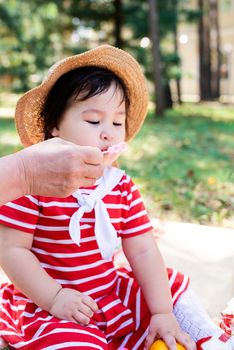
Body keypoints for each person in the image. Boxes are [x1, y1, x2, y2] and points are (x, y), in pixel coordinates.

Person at [0, 45, 232, 350]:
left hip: (109, 295)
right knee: (68, 341)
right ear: (55, 127)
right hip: (52, 304)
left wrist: (161, 311)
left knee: (170, 287)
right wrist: (54, 297)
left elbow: (144, 251)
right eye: (94, 122)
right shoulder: (33, 180)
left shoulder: (120, 185)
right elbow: (11, 250)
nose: (108, 132)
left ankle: (208, 339)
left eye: (117, 122)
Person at [0, 138, 104, 205]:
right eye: (93, 121)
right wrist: (25, 172)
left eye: (117, 123)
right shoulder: (27, 197)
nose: (108, 135)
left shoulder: (119, 183)